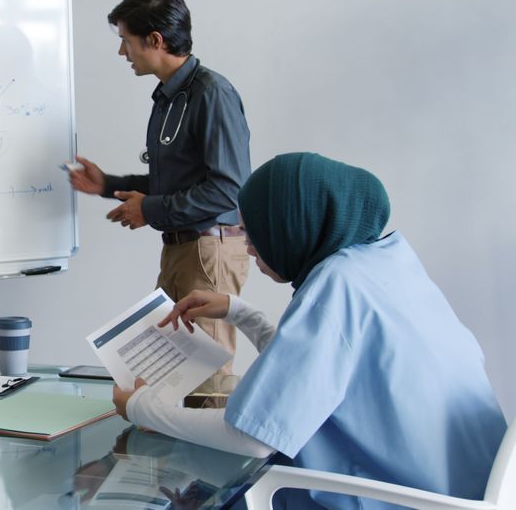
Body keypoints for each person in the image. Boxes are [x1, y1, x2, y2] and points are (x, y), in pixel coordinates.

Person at [113, 153, 507, 508]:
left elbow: (251, 436)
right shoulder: (384, 263)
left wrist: (140, 406)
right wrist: (242, 313)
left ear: (290, 225)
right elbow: (317, 374)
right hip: (460, 491)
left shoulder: (336, 285)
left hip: (403, 498)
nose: (249, 248)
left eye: (252, 233)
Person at [68, 0, 252, 397]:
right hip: (182, 248)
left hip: (209, 252)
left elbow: (227, 191)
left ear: (156, 40)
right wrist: (110, 186)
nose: (122, 53)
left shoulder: (212, 93)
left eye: (126, 41)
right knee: (174, 372)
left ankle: (216, 460)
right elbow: (179, 182)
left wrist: (149, 210)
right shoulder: (169, 98)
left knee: (207, 380)